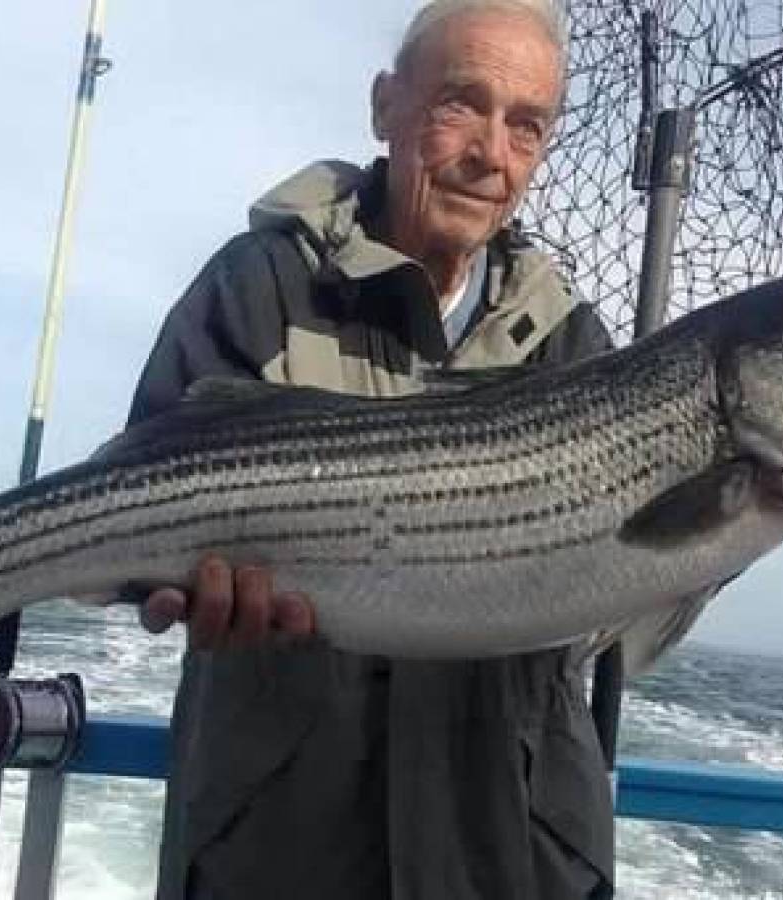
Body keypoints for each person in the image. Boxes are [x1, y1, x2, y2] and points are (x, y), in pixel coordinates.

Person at [127, 1, 615, 897]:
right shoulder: (257, 285)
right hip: (276, 856)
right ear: (385, 105)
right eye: (460, 104)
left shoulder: (571, 347)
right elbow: (143, 496)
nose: (490, 155)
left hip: (508, 857)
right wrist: (191, 590)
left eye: (527, 127)